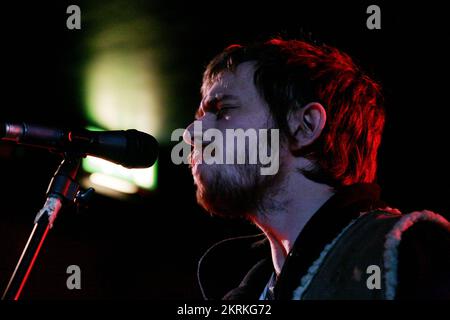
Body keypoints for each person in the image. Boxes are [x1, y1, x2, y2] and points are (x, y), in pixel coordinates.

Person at [183, 38, 450, 300]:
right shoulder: (243, 290)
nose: (191, 134)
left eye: (223, 109)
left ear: (305, 126)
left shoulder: (415, 252)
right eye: (199, 117)